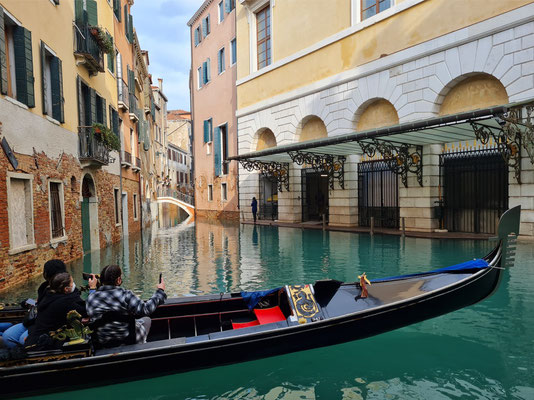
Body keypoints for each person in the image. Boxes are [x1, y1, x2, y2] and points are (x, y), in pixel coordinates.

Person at [86, 265, 166, 347]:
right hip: (128, 341)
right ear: (118, 280)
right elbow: (146, 309)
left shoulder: (91, 298)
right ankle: (142, 345)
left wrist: (93, 288)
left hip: (103, 343)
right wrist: (160, 291)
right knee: (147, 320)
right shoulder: (126, 295)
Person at [2, 259, 67, 348]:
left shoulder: (65, 289)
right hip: (32, 321)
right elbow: (38, 302)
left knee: (22, 339)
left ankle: (27, 355)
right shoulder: (44, 287)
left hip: (47, 326)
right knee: (7, 336)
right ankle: (19, 356)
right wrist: (28, 301)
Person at [25, 272, 86, 348]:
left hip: (33, 332)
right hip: (41, 340)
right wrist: (92, 289)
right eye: (72, 283)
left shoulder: (47, 291)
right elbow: (85, 311)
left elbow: (36, 303)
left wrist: (27, 301)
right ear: (66, 289)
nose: (74, 284)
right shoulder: (65, 301)